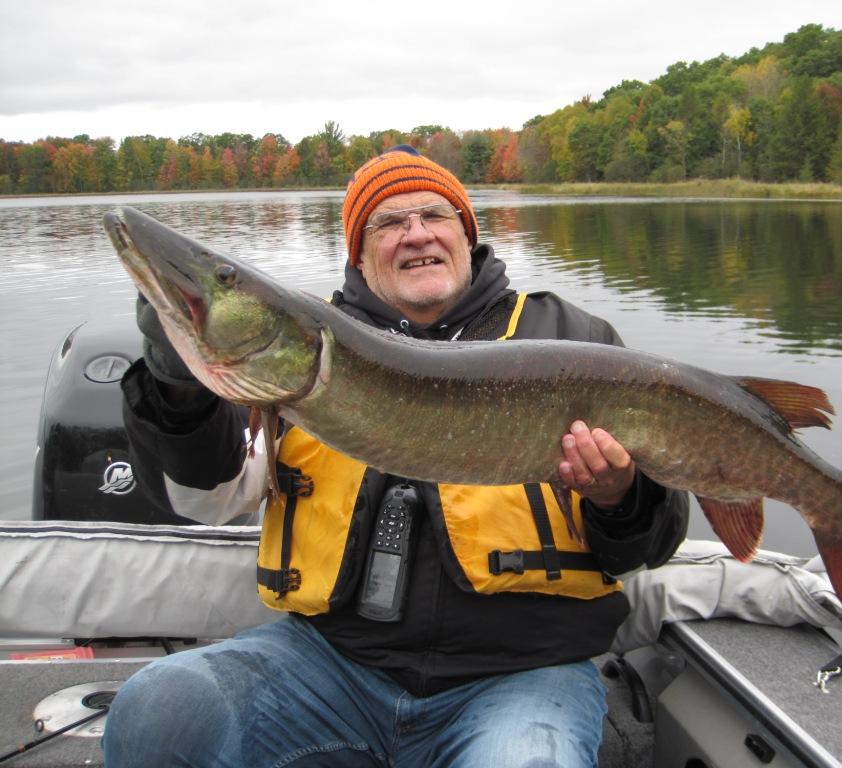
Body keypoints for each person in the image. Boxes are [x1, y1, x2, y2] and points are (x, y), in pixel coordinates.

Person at [103, 146, 689, 768]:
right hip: (329, 667)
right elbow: (205, 501)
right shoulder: (299, 349)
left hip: (522, 673)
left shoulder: (574, 339)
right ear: (357, 252)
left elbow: (650, 547)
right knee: (157, 711)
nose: (416, 234)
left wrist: (617, 497)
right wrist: (178, 390)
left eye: (435, 215)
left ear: (467, 233)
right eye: (387, 223)